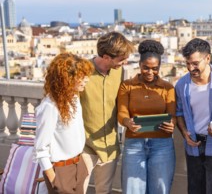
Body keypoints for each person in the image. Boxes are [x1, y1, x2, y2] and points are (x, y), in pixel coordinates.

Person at [117, 40, 176, 194]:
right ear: (140, 65)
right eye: (146, 68)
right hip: (134, 144)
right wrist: (127, 122)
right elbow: (122, 112)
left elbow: (173, 114)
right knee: (132, 190)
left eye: (154, 69)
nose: (150, 72)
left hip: (162, 144)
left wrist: (172, 124)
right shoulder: (127, 85)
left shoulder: (167, 87)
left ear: (160, 67)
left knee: (160, 190)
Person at [80, 31, 135, 193]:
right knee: (78, 190)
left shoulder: (121, 72)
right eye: (121, 59)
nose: (124, 63)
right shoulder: (82, 71)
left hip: (110, 145)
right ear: (106, 57)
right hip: (84, 146)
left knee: (104, 191)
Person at [175, 38, 212, 194]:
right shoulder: (182, 85)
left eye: (195, 63)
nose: (191, 68)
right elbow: (179, 113)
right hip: (194, 148)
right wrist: (184, 132)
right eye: (187, 63)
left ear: (208, 58)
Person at [34, 53, 94, 193]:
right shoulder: (50, 106)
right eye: (81, 76)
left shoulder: (74, 98)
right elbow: (40, 148)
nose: (86, 80)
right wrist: (55, 180)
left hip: (79, 165)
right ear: (67, 79)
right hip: (61, 171)